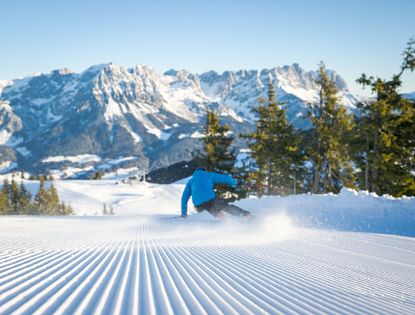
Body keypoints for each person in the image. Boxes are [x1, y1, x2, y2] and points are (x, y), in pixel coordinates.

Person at [181, 167, 251, 218]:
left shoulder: (191, 181)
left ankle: (226, 223)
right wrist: (233, 184)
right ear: (205, 171)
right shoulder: (209, 175)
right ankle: (246, 216)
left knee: (216, 213)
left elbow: (184, 198)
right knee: (225, 207)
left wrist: (184, 213)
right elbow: (226, 178)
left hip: (199, 205)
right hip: (211, 200)